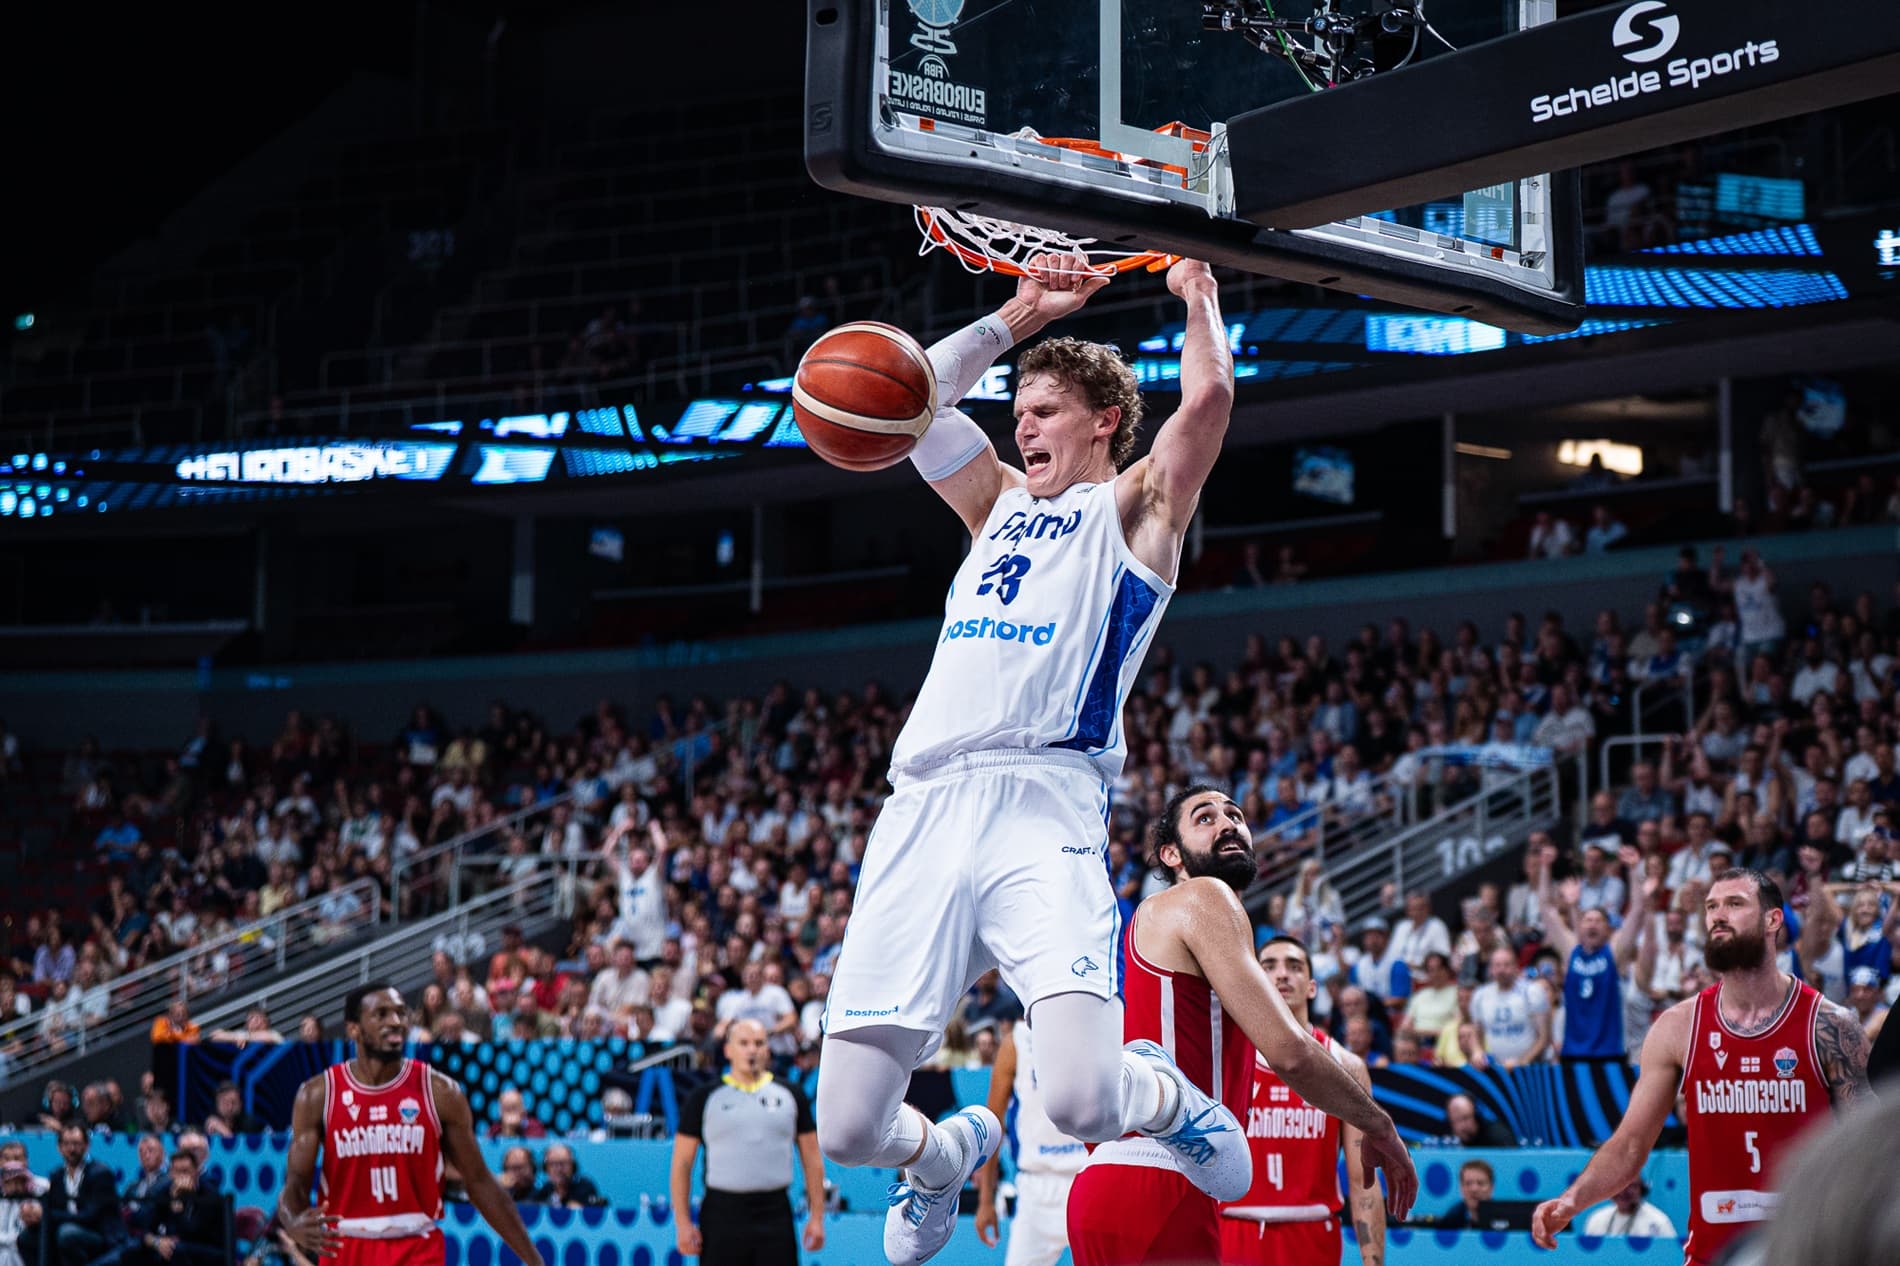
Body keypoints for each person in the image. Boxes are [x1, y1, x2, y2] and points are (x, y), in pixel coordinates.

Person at [814, 255, 1253, 1266]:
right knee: (845, 1128)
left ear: (1104, 422)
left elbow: (1212, 397)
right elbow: (908, 398)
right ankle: (938, 1157)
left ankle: (1171, 1100)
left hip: (1044, 799)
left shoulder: (1139, 510)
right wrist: (1017, 317)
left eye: (1046, 410)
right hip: (921, 808)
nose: (1023, 423)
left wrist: (1198, 292)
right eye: (1020, 407)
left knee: (1086, 1099)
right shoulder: (993, 503)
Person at [1064, 787, 1415, 1266]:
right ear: (1171, 854)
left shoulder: (1159, 922)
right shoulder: (1204, 897)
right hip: (1160, 1173)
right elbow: (1291, 1052)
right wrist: (1379, 1124)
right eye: (1204, 818)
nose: (1228, 823)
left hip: (1139, 1175)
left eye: (1235, 814)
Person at [1531, 871, 1871, 1264]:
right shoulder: (1679, 1027)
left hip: (1805, 1251)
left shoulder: (1829, 1025)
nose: (1718, 916)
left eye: (1735, 904)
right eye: (1711, 906)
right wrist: (1573, 1201)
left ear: (1772, 920)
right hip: (1712, 1255)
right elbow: (1630, 1144)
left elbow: (1865, 1150)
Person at [278, 981, 544, 1266]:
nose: (395, 1022)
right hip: (347, 1245)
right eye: (381, 1014)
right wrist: (292, 1220)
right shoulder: (319, 1094)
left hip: (416, 1246)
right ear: (353, 1028)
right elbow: (295, 1184)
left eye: (401, 1013)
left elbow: (479, 1181)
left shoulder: (440, 1092)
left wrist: (535, 1261)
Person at [1219, 936, 1386, 1266]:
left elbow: (1363, 1181)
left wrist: (1373, 1261)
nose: (1282, 974)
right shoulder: (1225, 1059)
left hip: (1312, 1235)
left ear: (1312, 987)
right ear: (1254, 981)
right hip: (1234, 1230)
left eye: (1294, 967)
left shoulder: (1346, 1065)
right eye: (1269, 966)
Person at [671, 1019, 825, 1266]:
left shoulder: (791, 1095)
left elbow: (812, 1159)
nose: (751, 1050)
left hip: (775, 1214)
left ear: (768, 1049)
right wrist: (682, 1223)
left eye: (758, 1043)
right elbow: (681, 1164)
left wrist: (817, 1217)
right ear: (728, 1050)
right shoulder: (703, 1098)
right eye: (743, 1043)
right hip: (721, 1215)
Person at [974, 1020, 1087, 1266]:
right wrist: (985, 1201)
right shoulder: (1017, 1040)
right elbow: (993, 1124)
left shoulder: (1094, 1024)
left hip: (1088, 1181)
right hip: (1036, 1187)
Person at [121, 1150, 225, 1266]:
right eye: (177, 1172)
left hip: (210, 1250)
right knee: (131, 1252)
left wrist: (177, 1206)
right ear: (170, 1174)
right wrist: (157, 1242)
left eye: (185, 1171)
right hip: (175, 1247)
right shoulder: (163, 1192)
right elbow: (144, 1226)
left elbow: (191, 1234)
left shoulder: (210, 1196)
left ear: (196, 1172)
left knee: (175, 1250)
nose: (181, 1177)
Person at [40, 1123, 123, 1266]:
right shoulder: (56, 1175)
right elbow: (53, 1207)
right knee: (28, 1237)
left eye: (76, 1144)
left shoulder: (101, 1173)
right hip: (67, 1228)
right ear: (59, 1148)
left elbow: (90, 1215)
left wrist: (49, 1215)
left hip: (98, 1233)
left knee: (67, 1233)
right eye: (66, 1144)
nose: (72, 1149)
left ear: (87, 1146)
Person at [1579, 1178, 1676, 1238]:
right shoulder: (1596, 1219)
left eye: (1631, 1186)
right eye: (1618, 1186)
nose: (1622, 1192)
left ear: (1642, 1189)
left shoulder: (1658, 1221)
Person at [529, 1146, 602, 1209]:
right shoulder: (544, 1189)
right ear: (545, 1168)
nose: (559, 1169)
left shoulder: (585, 1187)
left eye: (564, 1163)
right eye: (553, 1164)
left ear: (573, 1167)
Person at [1435, 1160, 1493, 1229]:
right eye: (1468, 1183)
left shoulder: (1502, 1217)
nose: (1474, 1189)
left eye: (1480, 1183)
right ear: (1461, 1188)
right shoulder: (1451, 1219)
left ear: (1491, 1187)